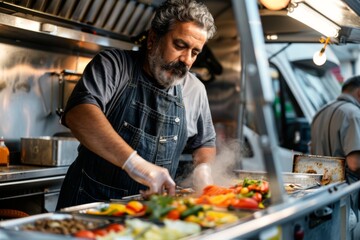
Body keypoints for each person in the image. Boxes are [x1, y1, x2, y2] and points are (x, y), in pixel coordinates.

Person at [56, 0, 217, 210]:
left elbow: (205, 143)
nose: (186, 60)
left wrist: (203, 169)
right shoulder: (113, 65)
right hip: (91, 205)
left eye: (195, 52)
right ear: (152, 39)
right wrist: (135, 164)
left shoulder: (194, 89)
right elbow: (79, 113)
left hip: (152, 211)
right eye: (179, 46)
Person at [310, 75, 360, 237]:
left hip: (320, 198)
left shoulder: (320, 112)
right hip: (345, 199)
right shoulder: (353, 114)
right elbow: (355, 164)